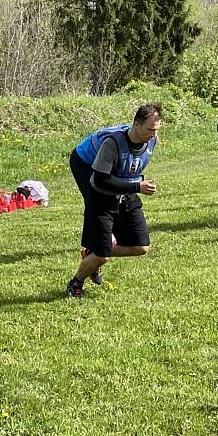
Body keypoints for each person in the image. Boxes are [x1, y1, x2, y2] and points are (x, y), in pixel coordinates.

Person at [67, 104, 162, 298]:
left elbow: (129, 168)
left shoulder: (152, 141)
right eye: (150, 130)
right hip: (85, 163)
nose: (154, 135)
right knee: (99, 211)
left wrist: (135, 183)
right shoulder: (112, 143)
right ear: (136, 125)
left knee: (141, 247)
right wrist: (136, 186)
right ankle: (80, 276)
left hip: (117, 181)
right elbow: (100, 180)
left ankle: (94, 252)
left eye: (157, 130)